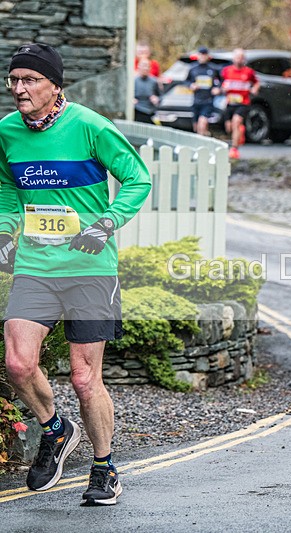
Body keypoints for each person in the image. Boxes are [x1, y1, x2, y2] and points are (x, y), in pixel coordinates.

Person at [0, 43, 152, 505]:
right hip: (36, 266)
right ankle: (55, 428)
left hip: (90, 269)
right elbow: (8, 188)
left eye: (30, 80)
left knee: (87, 379)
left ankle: (104, 469)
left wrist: (105, 223)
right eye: (14, 79)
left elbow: (138, 177)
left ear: (55, 86)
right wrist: (7, 233)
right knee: (18, 363)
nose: (19, 88)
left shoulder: (89, 125)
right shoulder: (7, 131)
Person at [220, 48, 259, 160]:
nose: (239, 60)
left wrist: (255, 89)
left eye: (242, 57)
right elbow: (220, 84)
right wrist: (222, 89)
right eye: (237, 57)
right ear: (233, 58)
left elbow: (256, 83)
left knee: (236, 121)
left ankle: (234, 149)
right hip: (230, 103)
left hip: (243, 103)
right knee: (230, 127)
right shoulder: (226, 71)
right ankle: (239, 131)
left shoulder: (248, 72)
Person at [187, 46, 221, 137]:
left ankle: (202, 146)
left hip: (208, 101)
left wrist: (218, 88)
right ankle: (207, 137)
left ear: (207, 56)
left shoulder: (213, 69)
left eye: (204, 55)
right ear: (198, 55)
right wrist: (191, 85)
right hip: (196, 101)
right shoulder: (193, 69)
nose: (202, 57)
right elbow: (186, 81)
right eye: (201, 55)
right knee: (196, 127)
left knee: (202, 123)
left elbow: (221, 81)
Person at [133, 58, 160, 123]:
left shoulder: (154, 81)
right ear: (139, 67)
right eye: (144, 66)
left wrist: (157, 99)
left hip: (151, 112)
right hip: (137, 110)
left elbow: (161, 96)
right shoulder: (134, 81)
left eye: (147, 66)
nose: (146, 68)